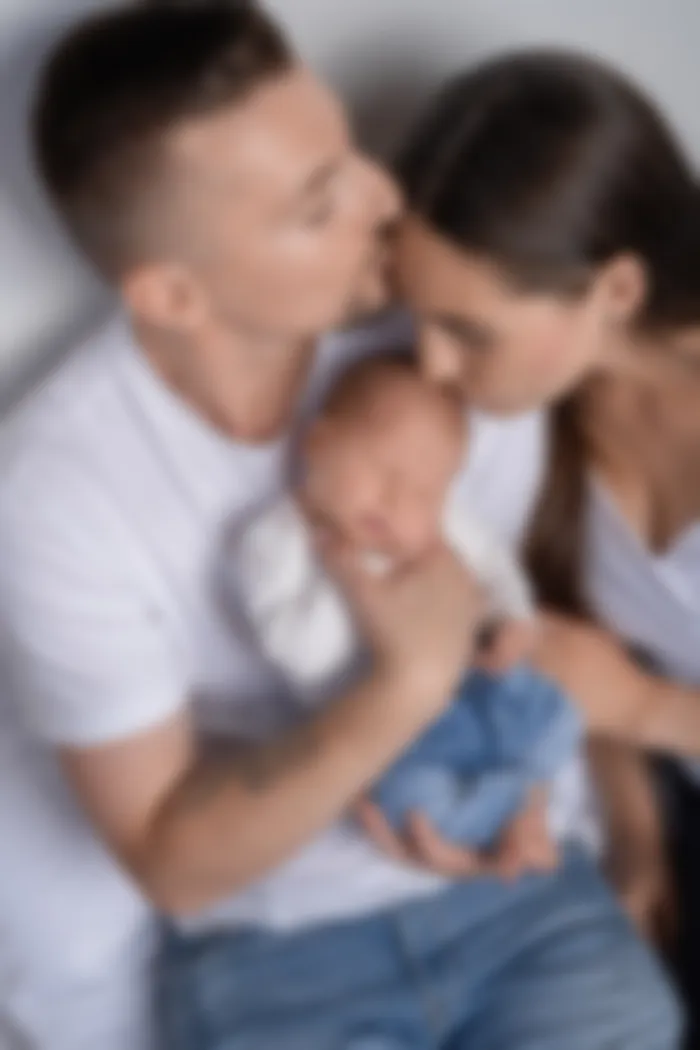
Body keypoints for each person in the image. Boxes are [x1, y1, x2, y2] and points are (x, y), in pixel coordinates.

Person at [0, 4, 679, 1049]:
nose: (385, 196)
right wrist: (401, 686)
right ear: (174, 294)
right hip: (278, 953)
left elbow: (524, 646)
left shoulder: (446, 352)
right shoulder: (60, 491)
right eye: (320, 204)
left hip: (522, 904)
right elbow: (168, 857)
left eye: (350, 154)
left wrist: (553, 818)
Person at [390, 47, 700, 1047]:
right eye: (420, 319)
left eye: (467, 331)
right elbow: (586, 658)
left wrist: (645, 708)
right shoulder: (535, 423)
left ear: (612, 288)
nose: (433, 365)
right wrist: (639, 841)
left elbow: (626, 689)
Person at [236, 352, 579, 859]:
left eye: (424, 490)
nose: (398, 501)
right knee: (408, 803)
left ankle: (521, 790)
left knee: (554, 714)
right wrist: (351, 584)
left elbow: (492, 562)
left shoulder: (440, 528)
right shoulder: (277, 541)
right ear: (318, 442)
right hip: (387, 733)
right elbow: (301, 652)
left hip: (471, 689)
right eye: (382, 469)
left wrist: (512, 619)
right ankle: (505, 805)